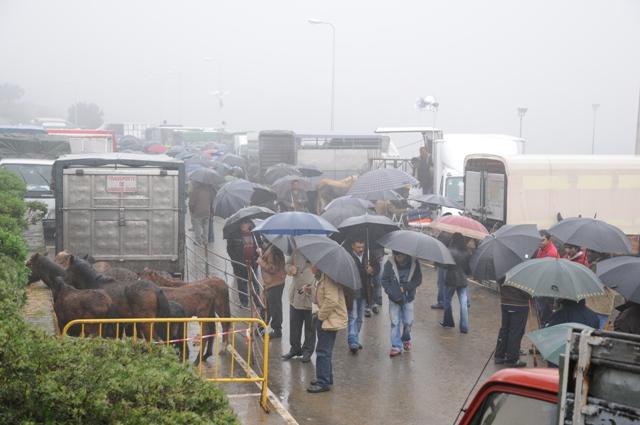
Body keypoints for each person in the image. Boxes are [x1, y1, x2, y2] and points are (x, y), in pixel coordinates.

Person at [307, 265, 348, 393]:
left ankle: (323, 382)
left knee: (322, 351)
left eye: (311, 265)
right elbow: (318, 298)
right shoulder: (319, 278)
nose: (310, 268)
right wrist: (310, 290)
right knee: (325, 350)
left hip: (329, 319)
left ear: (317, 266)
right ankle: (326, 377)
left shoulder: (328, 279)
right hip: (326, 318)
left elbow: (331, 300)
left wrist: (320, 316)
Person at [381, 251, 422, 357]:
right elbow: (384, 280)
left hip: (408, 297)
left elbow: (418, 280)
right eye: (395, 256)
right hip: (394, 298)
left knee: (408, 322)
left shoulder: (414, 263)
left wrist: (406, 287)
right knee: (395, 322)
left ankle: (406, 339)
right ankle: (396, 346)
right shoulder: (390, 263)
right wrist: (392, 291)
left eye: (400, 256)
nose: (397, 258)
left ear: (405, 255)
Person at [346, 239, 379, 354]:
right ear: (352, 246)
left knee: (360, 317)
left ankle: (355, 338)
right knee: (353, 316)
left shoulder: (369, 255)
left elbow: (377, 268)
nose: (361, 250)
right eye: (358, 247)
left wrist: (372, 270)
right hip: (352, 291)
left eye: (362, 247)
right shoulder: (348, 256)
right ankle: (353, 340)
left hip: (365, 291)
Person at [282, 255, 316, 363]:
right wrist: (290, 268)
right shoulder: (296, 252)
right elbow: (286, 265)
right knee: (294, 324)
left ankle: (307, 351)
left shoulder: (318, 254)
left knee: (310, 327)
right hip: (296, 295)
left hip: (311, 295)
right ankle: (295, 348)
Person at [494, 277, 530, 367]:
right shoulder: (523, 271)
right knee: (516, 332)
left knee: (505, 329)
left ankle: (499, 355)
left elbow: (499, 281)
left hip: (505, 302)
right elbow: (526, 292)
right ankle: (512, 358)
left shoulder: (503, 268)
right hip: (520, 304)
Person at [441, 233, 471, 333]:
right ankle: (464, 327)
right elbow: (468, 270)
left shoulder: (449, 251)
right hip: (462, 280)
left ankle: (448, 322)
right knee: (463, 303)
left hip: (450, 279)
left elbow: (445, 266)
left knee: (447, 300)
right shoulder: (467, 252)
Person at [226, 219, 258, 308]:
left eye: (245, 223)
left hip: (253, 263)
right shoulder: (233, 234)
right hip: (240, 265)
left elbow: (259, 245)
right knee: (242, 284)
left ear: (249, 224)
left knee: (255, 283)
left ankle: (257, 302)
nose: (243, 225)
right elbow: (229, 249)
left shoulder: (255, 233)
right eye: (242, 223)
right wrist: (236, 260)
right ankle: (244, 303)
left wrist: (257, 257)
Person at [257, 244, 286, 338]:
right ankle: (261, 327)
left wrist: (261, 262)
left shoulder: (275, 250)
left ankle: (277, 330)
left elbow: (273, 268)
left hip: (275, 283)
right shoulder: (270, 247)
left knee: (275, 308)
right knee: (266, 306)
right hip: (270, 283)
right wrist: (261, 255)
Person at [533, 230, 560, 325]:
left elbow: (548, 273)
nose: (540, 242)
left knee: (544, 312)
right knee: (540, 311)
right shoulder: (542, 248)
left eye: (542, 240)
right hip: (541, 284)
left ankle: (544, 328)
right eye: (539, 240)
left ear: (549, 240)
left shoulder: (551, 253)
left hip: (546, 287)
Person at [188, 181, 213, 245]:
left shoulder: (196, 191)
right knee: (206, 226)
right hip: (207, 212)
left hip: (198, 212)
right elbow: (211, 201)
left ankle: (198, 241)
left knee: (197, 226)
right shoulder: (209, 191)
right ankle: (205, 240)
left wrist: (191, 210)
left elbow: (191, 203)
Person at [431, 232, 452, 310]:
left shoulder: (445, 235)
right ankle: (443, 302)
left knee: (443, 284)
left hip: (445, 264)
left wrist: (435, 263)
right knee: (442, 284)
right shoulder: (444, 235)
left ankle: (443, 302)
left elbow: (437, 249)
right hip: (443, 264)